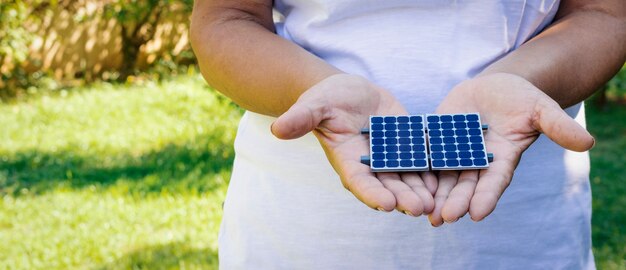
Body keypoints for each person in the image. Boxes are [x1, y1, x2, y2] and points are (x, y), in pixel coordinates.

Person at [191, 0, 626, 269]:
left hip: (527, 232)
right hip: (299, 229)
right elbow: (226, 18)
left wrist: (522, 80)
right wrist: (313, 90)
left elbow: (602, 12)